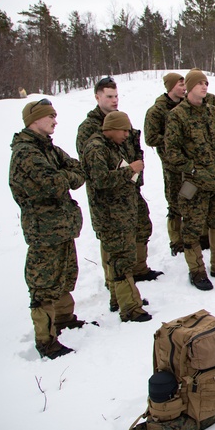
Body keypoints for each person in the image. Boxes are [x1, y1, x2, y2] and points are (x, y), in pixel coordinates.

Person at [9, 99, 87, 359]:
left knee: (64, 275)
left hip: (61, 225)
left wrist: (65, 176)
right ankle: (46, 340)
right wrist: (65, 177)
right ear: (34, 119)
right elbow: (54, 183)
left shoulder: (48, 149)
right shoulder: (26, 152)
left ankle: (64, 318)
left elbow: (78, 170)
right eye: (50, 116)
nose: (55, 120)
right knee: (43, 284)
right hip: (44, 229)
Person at [77, 77, 160, 310]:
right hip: (110, 199)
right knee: (114, 245)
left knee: (141, 228)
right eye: (109, 96)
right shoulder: (90, 130)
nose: (114, 100)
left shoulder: (120, 121)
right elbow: (95, 171)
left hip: (129, 191)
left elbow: (132, 150)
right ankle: (116, 285)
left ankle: (136, 271)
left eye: (116, 96)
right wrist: (127, 171)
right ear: (97, 97)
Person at [163, 69, 215, 291]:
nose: (204, 86)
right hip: (195, 184)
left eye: (206, 83)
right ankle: (197, 271)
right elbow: (171, 152)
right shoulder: (177, 116)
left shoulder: (212, 112)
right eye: (199, 83)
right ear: (189, 87)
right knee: (192, 228)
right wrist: (193, 170)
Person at [82, 111, 152, 323]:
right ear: (111, 128)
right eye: (123, 130)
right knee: (121, 258)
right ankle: (131, 308)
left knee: (119, 256)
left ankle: (119, 298)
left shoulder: (111, 145)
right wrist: (130, 170)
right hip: (110, 215)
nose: (126, 135)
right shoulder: (96, 148)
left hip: (120, 211)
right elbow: (100, 180)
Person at [144, 72, 187, 255]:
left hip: (188, 162)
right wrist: (172, 139)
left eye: (185, 84)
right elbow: (150, 138)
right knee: (175, 201)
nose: (184, 87)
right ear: (170, 87)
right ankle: (176, 240)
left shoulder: (186, 106)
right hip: (171, 165)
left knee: (190, 196)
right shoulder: (157, 111)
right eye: (180, 84)